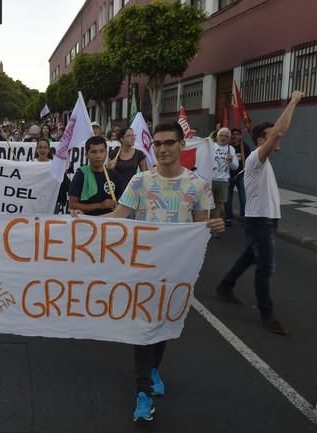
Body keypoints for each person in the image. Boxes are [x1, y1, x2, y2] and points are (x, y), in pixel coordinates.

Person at [91, 122, 223, 422]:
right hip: (143, 268)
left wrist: (214, 226)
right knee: (144, 328)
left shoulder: (199, 186)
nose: (162, 149)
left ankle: (151, 370)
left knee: (162, 328)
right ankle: (144, 392)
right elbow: (117, 218)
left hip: (177, 272)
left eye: (169, 143)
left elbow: (200, 227)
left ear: (181, 146)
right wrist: (81, 224)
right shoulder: (140, 182)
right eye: (158, 144)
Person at [215, 91, 304, 336]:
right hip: (259, 222)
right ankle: (267, 313)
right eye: (271, 136)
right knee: (266, 267)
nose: (277, 137)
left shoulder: (262, 162)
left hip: (266, 221)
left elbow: (276, 133)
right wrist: (294, 101)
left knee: (249, 257)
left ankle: (225, 286)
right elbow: (278, 132)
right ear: (261, 141)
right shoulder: (256, 158)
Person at [68, 136, 121, 216]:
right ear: (86, 155)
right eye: (94, 152)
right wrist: (101, 206)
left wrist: (118, 207)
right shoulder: (81, 174)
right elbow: (72, 205)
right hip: (87, 225)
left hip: (109, 225)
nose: (98, 156)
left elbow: (122, 203)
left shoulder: (114, 175)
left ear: (106, 153)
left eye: (102, 151)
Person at [107, 128, 148, 199]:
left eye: (133, 135)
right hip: (116, 192)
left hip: (133, 192)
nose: (133, 138)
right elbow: (107, 174)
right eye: (129, 135)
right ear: (122, 139)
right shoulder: (115, 153)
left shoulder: (139, 154)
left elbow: (145, 175)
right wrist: (110, 168)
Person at [211, 128, 238, 222]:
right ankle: (205, 226)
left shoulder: (231, 149)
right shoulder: (210, 146)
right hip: (210, 180)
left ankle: (214, 228)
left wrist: (230, 161)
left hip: (223, 181)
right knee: (206, 205)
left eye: (226, 136)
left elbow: (235, 167)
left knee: (219, 205)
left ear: (229, 138)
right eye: (221, 135)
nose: (223, 138)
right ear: (217, 137)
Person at [225, 128, 251, 225]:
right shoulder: (227, 147)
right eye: (233, 134)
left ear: (241, 136)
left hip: (241, 174)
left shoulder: (245, 147)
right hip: (228, 175)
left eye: (237, 134)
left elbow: (249, 161)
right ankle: (228, 217)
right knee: (227, 198)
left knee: (243, 197)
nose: (235, 136)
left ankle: (244, 217)